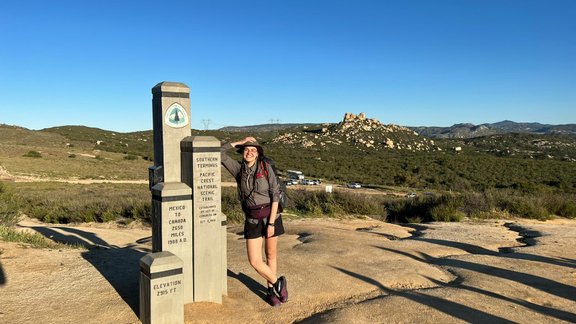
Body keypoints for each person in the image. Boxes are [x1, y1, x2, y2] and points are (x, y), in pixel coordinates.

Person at [220, 136, 289, 307]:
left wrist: (271, 223)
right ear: (242, 152)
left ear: (258, 154)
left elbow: (275, 194)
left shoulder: (265, 167)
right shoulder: (238, 169)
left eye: (253, 150)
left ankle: (271, 292)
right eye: (246, 149)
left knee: (271, 255)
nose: (249, 152)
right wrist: (239, 142)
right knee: (255, 261)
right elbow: (219, 153)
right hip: (252, 219)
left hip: (271, 217)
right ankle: (278, 282)